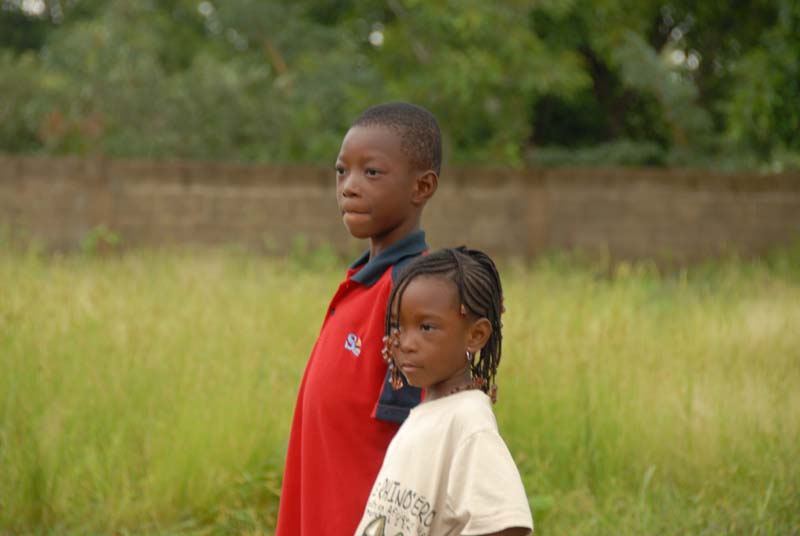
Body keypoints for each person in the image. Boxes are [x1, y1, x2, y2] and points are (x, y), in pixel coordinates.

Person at [276, 102, 442, 536]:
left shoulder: (411, 291)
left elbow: (416, 440)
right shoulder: (362, 284)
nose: (349, 187)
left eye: (371, 172)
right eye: (341, 171)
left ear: (421, 187)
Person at [354, 247, 533, 536]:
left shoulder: (469, 423)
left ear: (476, 335)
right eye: (398, 326)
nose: (407, 343)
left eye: (426, 327)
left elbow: (507, 526)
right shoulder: (427, 414)